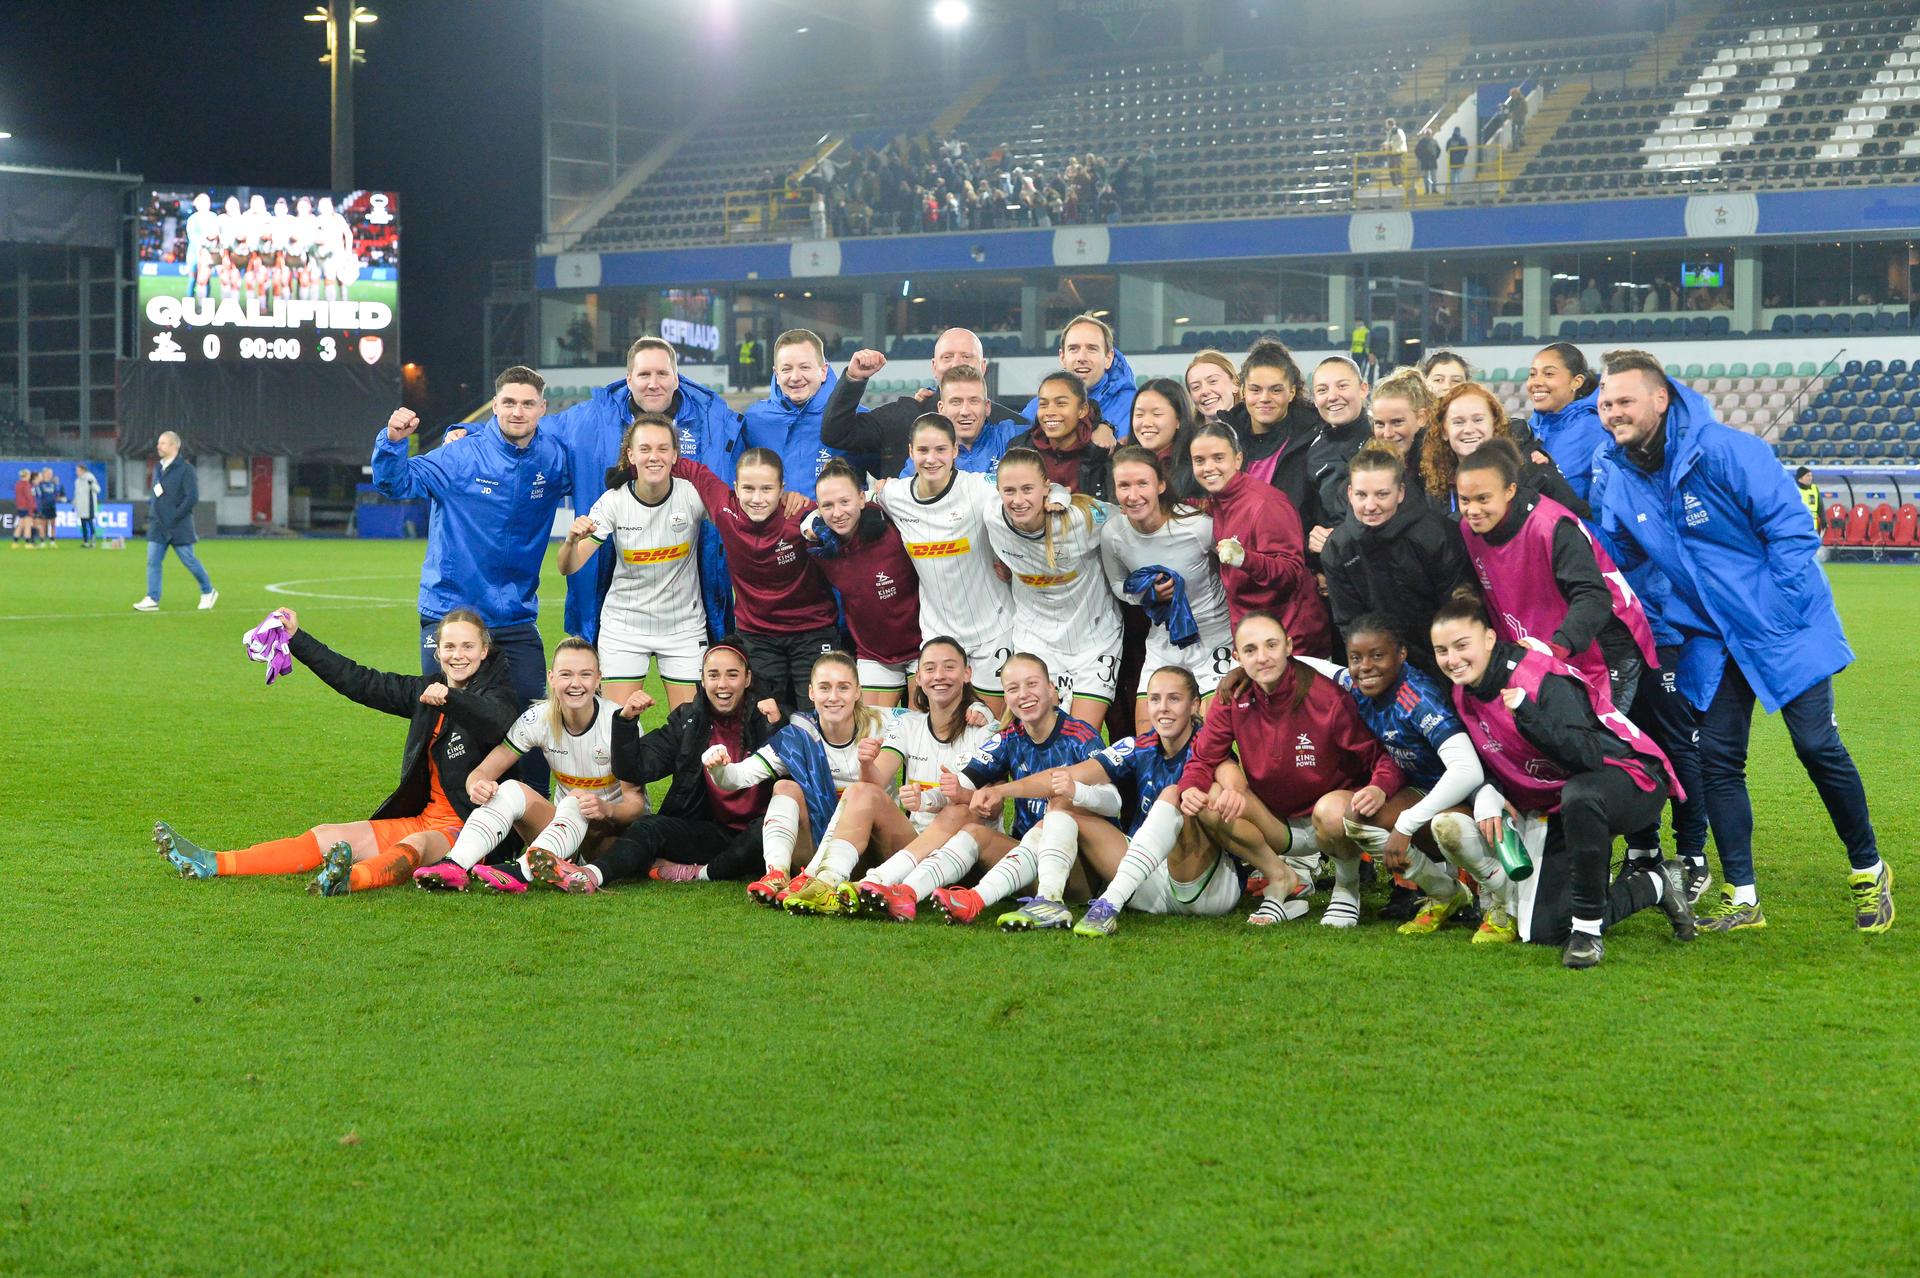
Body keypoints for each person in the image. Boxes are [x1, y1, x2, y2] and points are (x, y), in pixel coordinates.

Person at [1588, 350, 1893, 933]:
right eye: (1605, 403)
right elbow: (1620, 554)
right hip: (1711, 639)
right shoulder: (1617, 470)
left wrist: (1775, 611)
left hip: (1782, 628)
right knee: (1719, 762)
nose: (1612, 413)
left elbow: (1790, 530)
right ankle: (1743, 896)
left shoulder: (1726, 450)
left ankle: (1868, 868)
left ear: (1659, 398)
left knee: (1815, 748)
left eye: (1624, 401)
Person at [155, 608, 518, 895]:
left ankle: (351, 880)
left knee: (417, 843)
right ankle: (213, 862)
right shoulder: (425, 691)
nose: (458, 656)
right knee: (328, 834)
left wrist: (452, 699)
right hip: (425, 818)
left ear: (484, 651)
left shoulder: (496, 695)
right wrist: (297, 639)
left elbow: (497, 722)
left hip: (472, 833)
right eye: (449, 647)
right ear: (437, 652)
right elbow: (359, 680)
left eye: (468, 647)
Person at [1430, 592, 1696, 967]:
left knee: (1582, 795)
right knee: (1546, 930)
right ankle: (1657, 883)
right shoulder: (1464, 691)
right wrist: (1487, 790)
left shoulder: (1537, 677)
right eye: (1442, 651)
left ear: (1489, 639)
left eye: (1461, 646)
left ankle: (1588, 934)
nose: (1452, 660)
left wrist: (1527, 713)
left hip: (1630, 777)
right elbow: (1496, 755)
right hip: (1560, 798)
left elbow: (1585, 755)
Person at [1179, 611, 1407, 927]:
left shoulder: (1328, 698)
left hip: (1330, 823)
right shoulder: (1232, 696)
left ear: (1288, 646)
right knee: (1209, 801)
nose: (1262, 658)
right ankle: (1279, 875)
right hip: (1274, 823)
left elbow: (1382, 758)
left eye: (1271, 645)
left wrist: (1379, 787)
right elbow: (1203, 758)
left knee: (1329, 811)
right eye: (1250, 650)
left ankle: (1347, 886)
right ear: (1237, 657)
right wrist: (1190, 788)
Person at [1299, 617, 1507, 938]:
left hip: (1481, 799)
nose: (1365, 667)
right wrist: (1245, 668)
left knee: (1449, 829)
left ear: (1401, 655)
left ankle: (1505, 903)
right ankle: (1445, 895)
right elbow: (1324, 670)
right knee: (1358, 816)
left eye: (1377, 656)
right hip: (1428, 792)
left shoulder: (1418, 699)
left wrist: (1406, 823)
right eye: (1356, 657)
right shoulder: (1360, 684)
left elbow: (1468, 771)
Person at [1066, 667, 1300, 933]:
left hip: (1202, 889)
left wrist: (1234, 791)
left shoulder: (1206, 747)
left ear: (1195, 706)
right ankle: (1046, 898)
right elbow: (1073, 775)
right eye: (1154, 699)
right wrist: (1010, 790)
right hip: (1147, 886)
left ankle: (1109, 903)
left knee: (1177, 794)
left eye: (1174, 699)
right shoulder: (1140, 746)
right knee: (1069, 807)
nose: (1162, 708)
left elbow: (1230, 774)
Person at [544, 335, 743, 644]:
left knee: (705, 689)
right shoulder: (590, 419)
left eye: (662, 373)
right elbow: (527, 428)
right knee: (605, 690)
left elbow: (764, 457)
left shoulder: (715, 419)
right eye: (644, 374)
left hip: (694, 596)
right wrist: (472, 431)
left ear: (676, 378)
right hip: (614, 593)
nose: (654, 383)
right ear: (629, 379)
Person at [416, 638, 646, 893]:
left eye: (585, 674)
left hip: (609, 843)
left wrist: (606, 810)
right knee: (510, 788)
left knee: (575, 800)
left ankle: (520, 872)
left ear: (598, 678)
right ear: (551, 677)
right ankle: (454, 865)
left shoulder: (619, 723)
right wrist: (477, 785)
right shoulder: (538, 718)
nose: (575, 684)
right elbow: (483, 772)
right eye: (566, 674)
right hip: (562, 838)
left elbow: (636, 806)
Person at [555, 639, 785, 892]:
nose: (722, 685)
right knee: (648, 827)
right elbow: (634, 769)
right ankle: (590, 876)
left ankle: (699, 873)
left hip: (760, 831)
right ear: (702, 679)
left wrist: (778, 725)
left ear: (748, 678)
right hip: (712, 831)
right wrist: (626, 721)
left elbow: (798, 778)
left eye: (732, 675)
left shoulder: (768, 715)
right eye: (713, 675)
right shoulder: (688, 719)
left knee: (765, 833)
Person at [1455, 439, 1657, 710]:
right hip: (1542, 653)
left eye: (1483, 499)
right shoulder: (1467, 530)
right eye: (1465, 500)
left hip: (1601, 649)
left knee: (1602, 744)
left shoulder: (1550, 526)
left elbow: (1593, 595)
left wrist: (1556, 647)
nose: (1473, 510)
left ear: (1510, 491)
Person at [919, 652, 1111, 929]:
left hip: (1080, 870)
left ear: (1051, 689)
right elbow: (965, 781)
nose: (1024, 695)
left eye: (1032, 684)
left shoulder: (1082, 738)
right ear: (1006, 698)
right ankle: (909, 892)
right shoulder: (1010, 737)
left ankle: (1042, 902)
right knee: (972, 830)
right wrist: (939, 795)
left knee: (1060, 804)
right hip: (1025, 860)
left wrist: (1004, 791)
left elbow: (1111, 802)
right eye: (1013, 689)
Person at [702, 650, 893, 910]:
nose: (834, 697)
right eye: (824, 688)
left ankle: (818, 878)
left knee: (860, 793)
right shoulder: (799, 735)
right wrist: (718, 768)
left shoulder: (886, 725)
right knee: (785, 787)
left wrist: (970, 710)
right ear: (811, 692)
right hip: (819, 846)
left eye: (843, 687)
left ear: (858, 691)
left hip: (872, 850)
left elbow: (930, 719)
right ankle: (777, 873)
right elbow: (737, 778)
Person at [833, 638, 1002, 920]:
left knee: (958, 810)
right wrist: (865, 763)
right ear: (919, 677)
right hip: (913, 846)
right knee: (862, 791)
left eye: (949, 667)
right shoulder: (908, 724)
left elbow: (994, 807)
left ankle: (877, 880)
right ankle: (827, 879)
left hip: (966, 855)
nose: (939, 676)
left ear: (967, 674)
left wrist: (960, 795)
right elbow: (876, 782)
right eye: (930, 669)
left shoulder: (986, 730)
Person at [555, 415, 712, 713]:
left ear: (675, 455)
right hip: (625, 627)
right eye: (645, 448)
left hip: (684, 628)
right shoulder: (613, 502)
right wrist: (571, 541)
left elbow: (736, 520)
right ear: (631, 455)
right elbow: (568, 566)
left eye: (663, 448)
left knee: (692, 729)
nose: (654, 456)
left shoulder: (691, 495)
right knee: (618, 727)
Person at [669, 450, 834, 711]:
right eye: (748, 488)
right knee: (765, 717)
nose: (757, 499)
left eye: (767, 489)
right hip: (758, 635)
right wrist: (630, 469)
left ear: (782, 489)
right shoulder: (724, 507)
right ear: (735, 488)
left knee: (819, 714)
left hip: (813, 631)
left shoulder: (800, 514)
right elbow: (692, 470)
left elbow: (838, 518)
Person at [986, 448, 1121, 731]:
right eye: (1009, 491)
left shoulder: (1080, 518)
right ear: (998, 491)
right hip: (1035, 640)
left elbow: (1131, 519)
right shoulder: (993, 517)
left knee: (1078, 740)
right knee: (1037, 738)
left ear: (1045, 487)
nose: (1018, 500)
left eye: (1027, 489)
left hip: (1093, 640)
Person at [1099, 444, 1234, 711]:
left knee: (1216, 730)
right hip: (1163, 638)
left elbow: (1233, 566)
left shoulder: (1197, 526)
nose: (1133, 495)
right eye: (1124, 486)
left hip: (1214, 635)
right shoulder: (1112, 534)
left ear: (1160, 485)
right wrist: (1145, 595)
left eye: (1142, 484)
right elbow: (1117, 584)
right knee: (1149, 731)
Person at [1323, 445, 1471, 675]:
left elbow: (1459, 605)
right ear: (1350, 493)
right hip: (1385, 666)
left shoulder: (1437, 534)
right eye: (1362, 495)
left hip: (1446, 658)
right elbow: (1350, 623)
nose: (1370, 506)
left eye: (1382, 494)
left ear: (1400, 492)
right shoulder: (1338, 548)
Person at [1188, 421, 1329, 656]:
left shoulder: (1267, 504)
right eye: (1199, 461)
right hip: (1251, 638)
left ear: (1238, 459)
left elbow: (1291, 572)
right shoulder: (1216, 501)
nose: (1209, 467)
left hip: (1292, 638)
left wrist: (1245, 559)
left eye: (1218, 458)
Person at [801, 459, 923, 706]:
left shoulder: (891, 521)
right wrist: (807, 525)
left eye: (845, 502)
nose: (837, 513)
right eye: (828, 505)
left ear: (861, 498)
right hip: (873, 653)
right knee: (873, 734)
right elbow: (801, 518)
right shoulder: (819, 546)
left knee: (920, 728)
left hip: (923, 645)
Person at [823, 334, 1027, 479]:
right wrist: (854, 379)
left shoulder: (1009, 426)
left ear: (983, 366)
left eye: (966, 356)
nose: (956, 363)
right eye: (947, 357)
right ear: (934, 366)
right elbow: (836, 433)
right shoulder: (901, 416)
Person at [1423, 382, 1587, 518]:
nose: (1469, 429)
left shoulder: (1532, 471)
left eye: (1478, 420)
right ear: (1444, 431)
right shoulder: (1437, 487)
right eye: (1458, 422)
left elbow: (1578, 519)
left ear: (1494, 424)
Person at [741, 328, 843, 498]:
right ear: (777, 374)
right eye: (787, 369)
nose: (795, 377)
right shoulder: (754, 420)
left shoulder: (851, 417)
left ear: (823, 371)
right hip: (772, 525)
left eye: (804, 367)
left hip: (831, 524)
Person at [1219, 340, 1322, 502]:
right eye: (1255, 390)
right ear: (1243, 391)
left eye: (1276, 390)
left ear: (1292, 392)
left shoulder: (1315, 439)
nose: (1264, 398)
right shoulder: (1226, 438)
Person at [134, 432, 217, 612]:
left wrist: (175, 515)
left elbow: (192, 497)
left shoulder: (186, 470)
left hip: (178, 525)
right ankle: (152, 597)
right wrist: (153, 512)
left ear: (174, 446)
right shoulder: (158, 468)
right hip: (158, 525)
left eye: (163, 443)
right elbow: (157, 493)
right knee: (153, 561)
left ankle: (208, 591)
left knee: (189, 560)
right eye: (159, 443)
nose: (158, 446)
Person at [1020, 313, 1136, 440]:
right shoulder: (1037, 407)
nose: (1082, 358)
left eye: (1092, 349)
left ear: (1108, 358)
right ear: (1062, 357)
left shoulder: (1133, 406)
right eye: (1073, 349)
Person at [1304, 356, 1375, 554]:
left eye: (1342, 386)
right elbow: (1314, 520)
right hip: (1334, 566)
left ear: (1363, 389)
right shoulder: (1313, 450)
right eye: (1322, 390)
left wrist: (1341, 538)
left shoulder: (1384, 437)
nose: (1332, 396)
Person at [1009, 371, 1113, 499]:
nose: (1050, 412)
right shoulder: (1020, 449)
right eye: (1043, 404)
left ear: (1082, 410)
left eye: (1061, 403)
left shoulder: (1102, 450)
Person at [1525, 343, 1605, 504]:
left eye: (1548, 374)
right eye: (1532, 374)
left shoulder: (1595, 428)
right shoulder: (1528, 429)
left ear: (1576, 382)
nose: (1536, 382)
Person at [1184, 350, 1240, 422]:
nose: (1204, 391)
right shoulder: (1187, 432)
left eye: (1213, 381)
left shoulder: (1253, 431)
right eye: (1196, 387)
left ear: (1235, 384)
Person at [71, 464, 102, 548]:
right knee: (83, 524)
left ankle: (93, 541)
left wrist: (91, 484)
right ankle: (85, 541)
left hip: (89, 505)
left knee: (90, 522)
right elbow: (76, 493)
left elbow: (98, 490)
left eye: (78, 470)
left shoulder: (90, 478)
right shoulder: (77, 481)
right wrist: (74, 504)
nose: (76, 472)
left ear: (82, 470)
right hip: (81, 506)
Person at [32, 468, 61, 547]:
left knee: (53, 525)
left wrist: (56, 499)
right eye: (48, 473)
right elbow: (39, 496)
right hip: (44, 507)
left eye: (50, 473)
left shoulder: (53, 484)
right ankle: (42, 542)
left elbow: (56, 494)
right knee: (43, 525)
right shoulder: (41, 484)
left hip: (52, 506)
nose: (49, 475)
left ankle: (52, 541)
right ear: (44, 474)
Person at [1414, 127, 1441, 195]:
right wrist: (1421, 158)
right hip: (1425, 162)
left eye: (1429, 133)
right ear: (1425, 134)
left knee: (1433, 177)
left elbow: (1438, 150)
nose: (1428, 135)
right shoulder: (1421, 142)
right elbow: (1416, 151)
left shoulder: (1434, 141)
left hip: (1432, 161)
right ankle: (1427, 190)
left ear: (1431, 134)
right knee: (1426, 177)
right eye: (1427, 134)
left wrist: (1435, 157)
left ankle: (1434, 189)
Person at [10, 468, 31, 548]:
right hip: (26, 506)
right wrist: (32, 506)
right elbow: (28, 496)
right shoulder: (26, 484)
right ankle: (28, 543)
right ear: (26, 475)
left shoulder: (17, 484)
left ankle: (15, 542)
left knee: (20, 524)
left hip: (19, 506)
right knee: (27, 524)